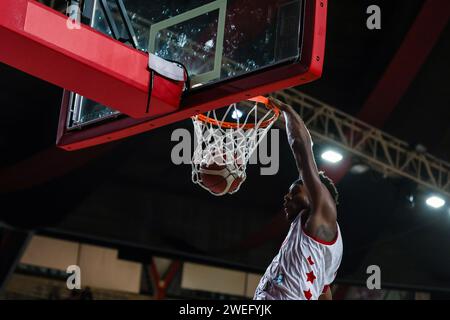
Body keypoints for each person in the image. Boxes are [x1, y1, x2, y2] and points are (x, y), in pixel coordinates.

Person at [254, 97, 343, 300]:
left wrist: (287, 111)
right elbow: (323, 292)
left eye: (295, 191)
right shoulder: (321, 240)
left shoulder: (323, 215)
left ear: (316, 194)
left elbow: (302, 151)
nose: (287, 197)